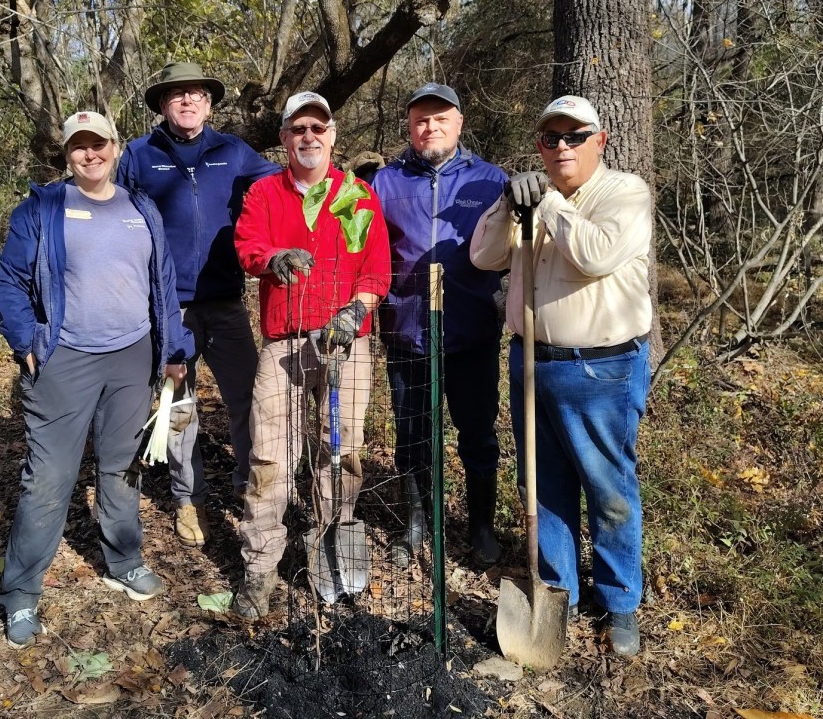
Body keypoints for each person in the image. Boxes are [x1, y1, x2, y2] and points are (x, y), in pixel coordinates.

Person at [0, 111, 193, 648]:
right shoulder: (42, 209)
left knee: (121, 467)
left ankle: (124, 560)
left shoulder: (141, 209)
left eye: (99, 144)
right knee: (50, 478)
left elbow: (164, 287)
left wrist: (175, 350)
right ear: (66, 153)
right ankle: (21, 593)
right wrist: (25, 343)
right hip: (65, 360)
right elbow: (9, 280)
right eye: (79, 146)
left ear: (116, 147)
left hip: (132, 358)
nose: (90, 155)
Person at [469, 95, 652, 656]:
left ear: (600, 140)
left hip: (601, 368)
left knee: (609, 489)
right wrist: (507, 204)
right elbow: (482, 255)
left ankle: (619, 601)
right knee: (543, 487)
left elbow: (595, 255)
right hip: (532, 361)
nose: (562, 147)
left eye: (575, 136)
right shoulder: (529, 201)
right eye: (551, 138)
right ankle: (558, 590)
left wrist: (548, 203)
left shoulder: (624, 193)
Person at [230, 91, 391, 619]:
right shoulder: (263, 193)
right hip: (286, 343)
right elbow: (247, 247)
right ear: (283, 138)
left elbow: (376, 269)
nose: (309, 138)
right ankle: (260, 570)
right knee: (271, 457)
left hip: (348, 342)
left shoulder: (357, 195)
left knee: (339, 449)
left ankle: (330, 549)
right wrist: (274, 258)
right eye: (298, 129)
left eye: (318, 129)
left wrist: (356, 310)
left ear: (332, 136)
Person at [117, 62, 280, 549]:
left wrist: (349, 180)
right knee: (178, 406)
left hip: (227, 303)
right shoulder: (139, 155)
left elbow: (286, 185)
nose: (188, 102)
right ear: (163, 105)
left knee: (248, 401)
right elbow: (113, 216)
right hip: (169, 311)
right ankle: (190, 499)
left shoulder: (232, 151)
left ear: (209, 104)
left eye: (197, 95)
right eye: (177, 95)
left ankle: (252, 486)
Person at [371, 83, 507, 570]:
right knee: (412, 434)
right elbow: (366, 251)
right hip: (407, 330)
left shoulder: (491, 182)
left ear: (459, 123)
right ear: (410, 127)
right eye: (420, 120)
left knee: (477, 433)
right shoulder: (385, 183)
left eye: (440, 119)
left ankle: (481, 527)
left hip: (471, 333)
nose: (429, 128)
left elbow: (518, 253)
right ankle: (415, 521)